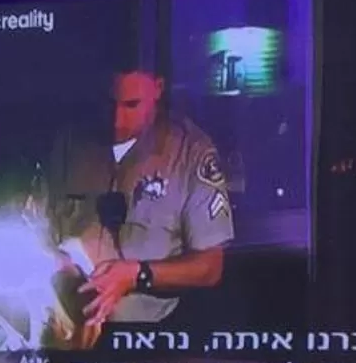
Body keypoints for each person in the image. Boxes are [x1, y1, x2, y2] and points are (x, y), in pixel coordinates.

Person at [49, 63, 233, 336]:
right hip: (69, 331)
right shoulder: (70, 143)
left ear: (158, 88)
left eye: (131, 105)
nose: (116, 120)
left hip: (151, 337)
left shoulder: (191, 152)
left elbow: (210, 267)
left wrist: (137, 274)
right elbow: (40, 223)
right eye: (109, 103)